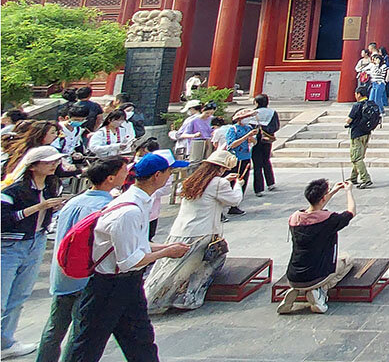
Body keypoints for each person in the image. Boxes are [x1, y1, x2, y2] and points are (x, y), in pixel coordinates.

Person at [64, 151, 190, 362]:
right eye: (169, 172)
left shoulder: (139, 202)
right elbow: (128, 261)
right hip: (110, 286)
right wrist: (167, 252)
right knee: (88, 347)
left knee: (141, 342)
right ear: (157, 175)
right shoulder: (129, 211)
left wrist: (165, 246)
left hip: (128, 284)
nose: (170, 176)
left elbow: (137, 244)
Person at [35, 157, 128, 362]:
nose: (127, 174)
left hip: (63, 273)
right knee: (79, 331)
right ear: (110, 178)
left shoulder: (75, 201)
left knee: (55, 328)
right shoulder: (104, 207)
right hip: (85, 276)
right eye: (124, 171)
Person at [144, 150, 242, 313]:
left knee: (169, 269)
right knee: (201, 268)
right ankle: (187, 299)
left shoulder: (194, 179)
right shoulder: (219, 183)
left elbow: (209, 190)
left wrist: (225, 181)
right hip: (202, 233)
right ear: (221, 168)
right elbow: (235, 200)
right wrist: (238, 185)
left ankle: (152, 298)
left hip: (181, 230)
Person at [2, 147, 68, 358]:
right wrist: (40, 207)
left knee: (19, 296)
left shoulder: (51, 186)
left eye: (55, 161)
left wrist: (51, 208)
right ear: (33, 165)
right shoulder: (13, 190)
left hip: (36, 241)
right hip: (9, 246)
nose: (53, 165)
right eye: (48, 162)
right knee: (2, 297)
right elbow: (4, 220)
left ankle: (5, 342)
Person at [277, 178, 356, 315]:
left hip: (293, 276)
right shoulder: (329, 220)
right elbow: (351, 212)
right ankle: (320, 291)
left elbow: (315, 207)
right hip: (316, 276)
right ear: (323, 198)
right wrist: (348, 191)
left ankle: (296, 291)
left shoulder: (295, 218)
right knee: (347, 260)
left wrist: (333, 192)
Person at [345, 89, 379, 190]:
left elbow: (349, 119)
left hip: (357, 134)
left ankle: (365, 179)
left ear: (359, 94)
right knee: (358, 156)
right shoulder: (370, 104)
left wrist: (347, 122)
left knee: (356, 158)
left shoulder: (357, 105)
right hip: (366, 133)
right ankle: (353, 178)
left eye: (356, 94)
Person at [223, 110, 257, 198]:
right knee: (233, 179)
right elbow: (232, 144)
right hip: (235, 158)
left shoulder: (249, 128)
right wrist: (246, 136)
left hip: (246, 156)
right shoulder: (233, 129)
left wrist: (252, 139)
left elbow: (254, 142)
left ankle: (239, 197)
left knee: (243, 178)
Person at [250, 95, 279, 197]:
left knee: (257, 163)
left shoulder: (253, 113)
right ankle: (270, 183)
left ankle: (258, 189)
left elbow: (249, 126)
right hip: (266, 139)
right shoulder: (272, 112)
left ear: (257, 102)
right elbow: (276, 126)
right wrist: (268, 131)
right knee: (266, 160)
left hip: (255, 139)